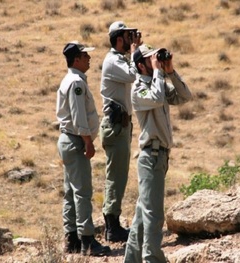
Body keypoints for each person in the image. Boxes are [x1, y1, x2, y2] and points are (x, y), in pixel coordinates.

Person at [123, 44, 192, 263]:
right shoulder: (138, 89)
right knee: (154, 216)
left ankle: (131, 259)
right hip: (150, 157)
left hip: (160, 156)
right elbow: (156, 99)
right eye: (151, 59)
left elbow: (184, 96)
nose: (156, 61)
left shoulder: (158, 83)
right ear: (141, 64)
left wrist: (170, 71)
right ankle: (152, 257)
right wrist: (159, 73)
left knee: (143, 216)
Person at [56, 41, 111, 257]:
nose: (89, 58)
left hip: (68, 140)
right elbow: (79, 116)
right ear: (76, 59)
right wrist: (88, 141)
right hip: (76, 140)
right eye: (85, 55)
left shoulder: (69, 79)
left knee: (71, 192)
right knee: (82, 192)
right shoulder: (76, 83)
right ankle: (87, 240)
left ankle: (71, 240)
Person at [99, 21, 142, 243]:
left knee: (119, 175)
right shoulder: (113, 62)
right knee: (116, 176)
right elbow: (134, 75)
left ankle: (113, 223)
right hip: (115, 126)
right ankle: (112, 227)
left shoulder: (119, 60)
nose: (131, 39)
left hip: (120, 126)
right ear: (118, 39)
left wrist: (135, 51)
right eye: (127, 36)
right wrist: (135, 53)